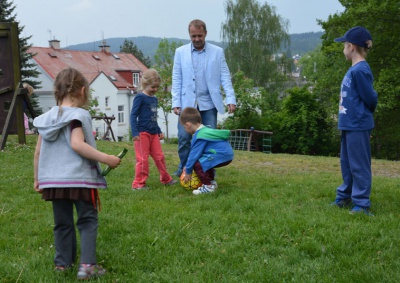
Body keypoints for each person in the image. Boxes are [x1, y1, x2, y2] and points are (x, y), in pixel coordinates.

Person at [33, 67, 121, 280]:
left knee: (62, 222)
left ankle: (62, 264)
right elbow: (77, 144)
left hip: (54, 181)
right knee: (87, 220)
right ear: (82, 91)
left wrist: (38, 178)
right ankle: (87, 266)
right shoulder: (78, 115)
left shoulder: (46, 119)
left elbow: (38, 151)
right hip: (78, 179)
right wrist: (106, 158)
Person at [171, 19, 236, 177]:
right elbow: (177, 79)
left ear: (205, 33)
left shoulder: (217, 52)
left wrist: (231, 98)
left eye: (200, 35)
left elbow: (225, 76)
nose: (197, 39)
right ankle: (185, 169)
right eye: (193, 36)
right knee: (184, 138)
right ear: (189, 35)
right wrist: (176, 102)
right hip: (187, 105)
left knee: (209, 140)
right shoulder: (180, 52)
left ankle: (207, 171)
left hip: (209, 105)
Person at [330, 26, 378, 215]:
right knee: (347, 163)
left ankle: (362, 204)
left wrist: (364, 118)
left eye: (343, 45)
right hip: (349, 124)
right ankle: (345, 196)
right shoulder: (353, 70)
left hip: (358, 124)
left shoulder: (360, 70)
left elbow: (371, 98)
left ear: (351, 46)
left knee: (359, 165)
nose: (343, 49)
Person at [130, 68, 177, 190]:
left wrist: (159, 130)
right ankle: (138, 184)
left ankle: (166, 179)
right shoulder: (140, 97)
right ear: (145, 84)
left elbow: (153, 117)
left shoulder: (154, 99)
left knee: (160, 157)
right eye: (153, 87)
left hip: (153, 133)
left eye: (157, 87)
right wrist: (135, 133)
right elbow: (133, 115)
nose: (155, 90)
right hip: (142, 134)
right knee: (142, 159)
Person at [180, 107, 234, 195]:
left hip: (221, 155)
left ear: (188, 125)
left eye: (184, 127)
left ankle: (208, 186)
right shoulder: (205, 130)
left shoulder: (199, 136)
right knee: (204, 160)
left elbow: (193, 155)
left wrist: (188, 170)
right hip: (227, 155)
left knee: (197, 163)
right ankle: (212, 183)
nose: (185, 129)